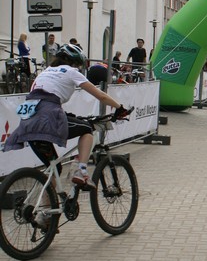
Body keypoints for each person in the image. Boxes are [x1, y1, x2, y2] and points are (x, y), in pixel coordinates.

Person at [2, 44, 129, 193]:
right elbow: (100, 95)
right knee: (87, 129)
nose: (78, 67)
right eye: (78, 64)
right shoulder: (70, 71)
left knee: (53, 168)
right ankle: (80, 171)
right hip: (48, 117)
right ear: (73, 62)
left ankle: (45, 212)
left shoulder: (44, 73)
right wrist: (120, 108)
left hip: (28, 121)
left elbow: (41, 98)